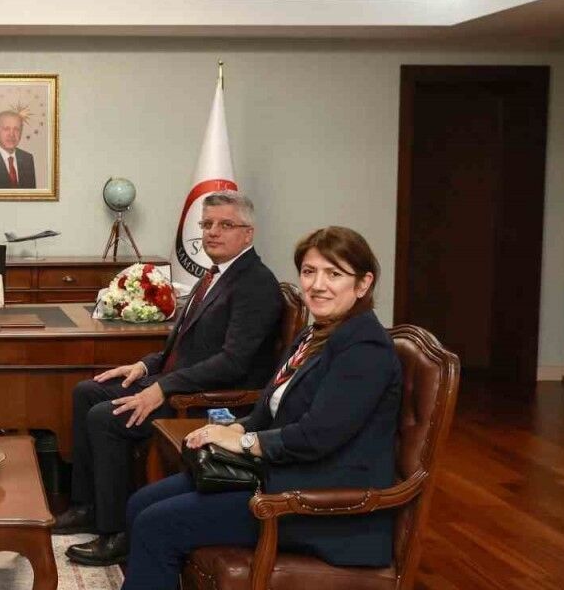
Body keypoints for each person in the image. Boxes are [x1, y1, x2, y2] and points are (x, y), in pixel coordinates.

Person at [120, 226, 403, 589]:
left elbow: (315, 437)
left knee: (156, 524)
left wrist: (243, 442)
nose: (317, 285)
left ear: (363, 284)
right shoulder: (314, 335)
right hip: (281, 477)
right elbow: (270, 408)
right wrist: (234, 428)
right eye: (309, 271)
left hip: (322, 506)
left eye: (334, 274)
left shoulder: (365, 349)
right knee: (141, 503)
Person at [59, 190, 283, 566]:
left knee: (106, 417)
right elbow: (183, 345)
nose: (212, 232)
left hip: (211, 401)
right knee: (87, 392)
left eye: (225, 224)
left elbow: (232, 363)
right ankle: (88, 507)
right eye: (207, 224)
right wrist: (145, 367)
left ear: (248, 233)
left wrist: (162, 388)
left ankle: (115, 533)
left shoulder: (255, 284)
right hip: (179, 381)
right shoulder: (213, 275)